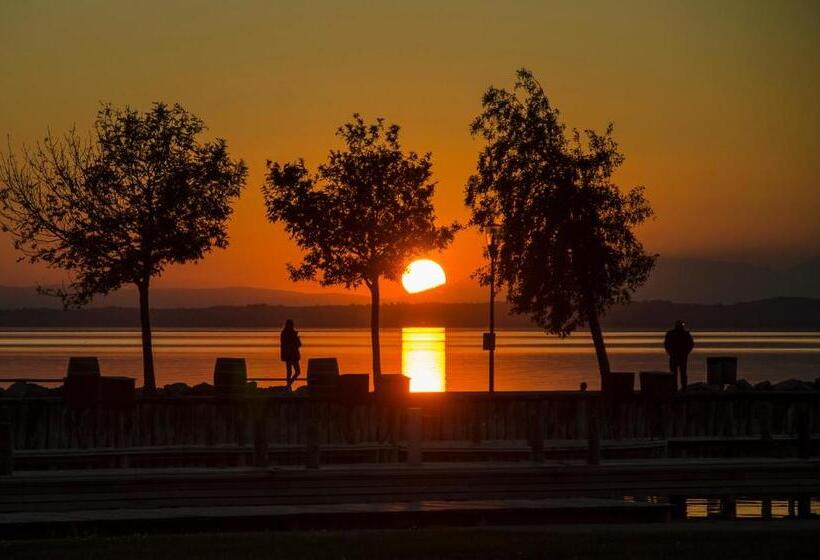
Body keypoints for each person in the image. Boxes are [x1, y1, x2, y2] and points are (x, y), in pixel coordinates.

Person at [664, 320, 694, 390]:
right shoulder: (684, 334)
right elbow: (666, 344)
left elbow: (691, 344)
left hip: (679, 356)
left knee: (679, 373)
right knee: (677, 373)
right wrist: (670, 352)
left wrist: (686, 352)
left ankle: (680, 387)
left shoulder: (672, 334)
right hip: (677, 356)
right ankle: (679, 387)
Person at [280, 319, 302, 387]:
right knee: (295, 372)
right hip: (291, 355)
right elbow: (297, 344)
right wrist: (296, 338)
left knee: (291, 372)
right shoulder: (289, 334)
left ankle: (288, 385)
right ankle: (288, 385)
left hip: (290, 355)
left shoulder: (284, 333)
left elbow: (298, 344)